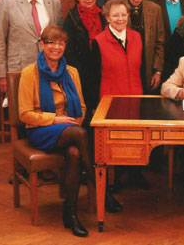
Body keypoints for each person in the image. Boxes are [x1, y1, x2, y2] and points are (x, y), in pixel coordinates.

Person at [18, 26, 122, 238]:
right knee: (80, 135)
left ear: (65, 46)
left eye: (60, 43)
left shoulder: (71, 72)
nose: (56, 47)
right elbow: (24, 114)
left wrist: (74, 122)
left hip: (70, 128)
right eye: (51, 43)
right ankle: (102, 190)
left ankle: (71, 214)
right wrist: (54, 119)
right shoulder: (30, 73)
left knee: (75, 153)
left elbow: (82, 107)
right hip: (41, 129)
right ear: (42, 45)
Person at [90, 0, 150, 191]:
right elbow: (94, 75)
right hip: (110, 100)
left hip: (136, 96)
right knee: (114, 142)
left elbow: (142, 69)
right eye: (115, 15)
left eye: (124, 14)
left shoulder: (137, 37)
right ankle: (113, 180)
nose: (120, 18)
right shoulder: (98, 42)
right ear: (107, 17)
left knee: (136, 138)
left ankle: (135, 174)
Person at [0, 0, 64, 93]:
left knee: (47, 110)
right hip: (18, 69)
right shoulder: (8, 0)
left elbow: (59, 38)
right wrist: (1, 75)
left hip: (49, 68)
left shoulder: (54, 2)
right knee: (21, 110)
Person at [63, 0, 106, 124]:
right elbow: (68, 51)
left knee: (102, 111)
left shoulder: (103, 15)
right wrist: (80, 72)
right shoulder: (71, 18)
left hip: (101, 72)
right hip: (80, 74)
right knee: (86, 113)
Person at [124, 0, 165, 94]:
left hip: (147, 69)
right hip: (125, 69)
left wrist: (157, 71)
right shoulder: (117, 6)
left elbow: (160, 43)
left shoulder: (155, 9)